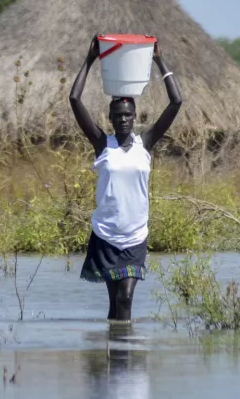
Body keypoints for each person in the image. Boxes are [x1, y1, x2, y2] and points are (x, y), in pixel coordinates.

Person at [69, 35, 183, 322]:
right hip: (107, 233)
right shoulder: (101, 144)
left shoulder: (146, 144)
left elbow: (176, 101)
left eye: (127, 115)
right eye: (117, 115)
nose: (122, 120)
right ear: (110, 117)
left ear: (135, 117)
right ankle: (115, 355)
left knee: (126, 297)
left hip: (134, 235)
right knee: (114, 303)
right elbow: (74, 99)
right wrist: (90, 58)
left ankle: (126, 361)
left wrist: (158, 59)